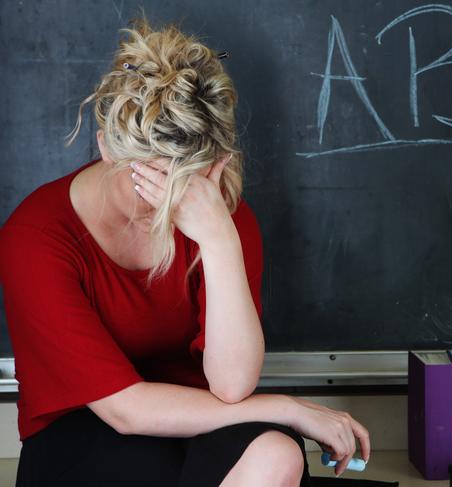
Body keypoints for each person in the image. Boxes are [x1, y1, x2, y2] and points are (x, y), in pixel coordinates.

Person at [0, 13, 370, 487]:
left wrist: (218, 240)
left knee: (278, 456)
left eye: (184, 180)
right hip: (82, 436)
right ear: (106, 148)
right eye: (148, 177)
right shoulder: (37, 236)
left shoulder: (218, 214)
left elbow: (232, 386)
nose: (165, 200)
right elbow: (124, 411)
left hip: (198, 416)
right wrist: (289, 407)